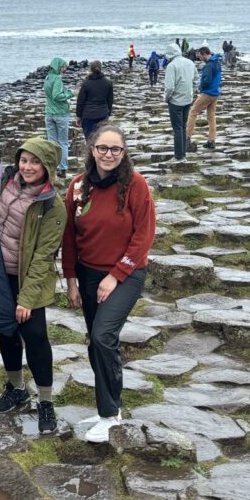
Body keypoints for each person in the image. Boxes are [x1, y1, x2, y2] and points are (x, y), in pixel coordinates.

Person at [63, 124, 156, 444]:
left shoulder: (136, 185)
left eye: (115, 149)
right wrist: (71, 280)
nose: (108, 154)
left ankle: (110, 413)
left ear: (124, 152)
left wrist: (115, 276)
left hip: (127, 274)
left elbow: (143, 237)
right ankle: (109, 410)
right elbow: (69, 238)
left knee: (103, 337)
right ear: (92, 150)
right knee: (95, 341)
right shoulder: (77, 187)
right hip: (87, 274)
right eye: (102, 148)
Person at [0, 137, 64, 435]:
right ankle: (16, 387)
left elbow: (44, 256)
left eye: (35, 162)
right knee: (6, 332)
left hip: (28, 278)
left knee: (35, 337)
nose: (27, 166)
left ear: (47, 168)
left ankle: (45, 400)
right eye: (24, 159)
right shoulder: (6, 181)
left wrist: (27, 299)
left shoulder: (52, 206)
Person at [186, 45, 222, 151]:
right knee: (211, 116)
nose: (200, 59)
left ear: (205, 54)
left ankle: (187, 137)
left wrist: (200, 87)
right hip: (215, 93)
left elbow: (206, 81)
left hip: (207, 93)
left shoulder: (209, 66)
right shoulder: (217, 63)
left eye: (200, 56)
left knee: (193, 112)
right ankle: (211, 140)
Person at [162, 42, 194, 160]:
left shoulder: (172, 66)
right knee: (183, 127)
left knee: (177, 128)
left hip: (175, 101)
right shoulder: (190, 62)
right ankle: (183, 154)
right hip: (188, 99)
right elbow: (196, 80)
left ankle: (179, 156)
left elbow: (170, 87)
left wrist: (166, 98)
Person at [43, 57, 73, 178]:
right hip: (60, 114)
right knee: (63, 143)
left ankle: (51, 168)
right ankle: (63, 169)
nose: (65, 69)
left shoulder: (47, 78)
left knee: (51, 143)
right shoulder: (57, 79)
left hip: (49, 113)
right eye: (63, 67)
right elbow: (57, 96)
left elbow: (49, 94)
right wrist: (70, 94)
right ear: (58, 67)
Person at [75, 61, 114, 139]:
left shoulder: (86, 83)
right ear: (101, 68)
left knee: (89, 140)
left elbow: (80, 101)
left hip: (88, 115)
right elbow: (110, 100)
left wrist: (78, 116)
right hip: (103, 114)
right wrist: (108, 113)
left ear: (91, 70)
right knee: (101, 139)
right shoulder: (108, 83)